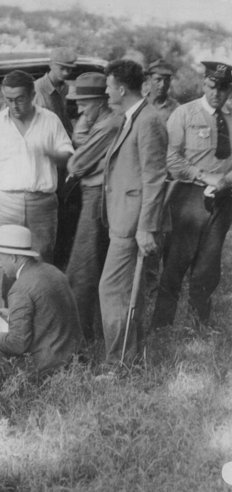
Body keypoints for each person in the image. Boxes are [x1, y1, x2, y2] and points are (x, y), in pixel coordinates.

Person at [0, 69, 73, 308]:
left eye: (19, 99)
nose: (14, 105)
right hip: (5, 202)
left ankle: (39, 315)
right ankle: (2, 317)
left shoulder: (50, 120)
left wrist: (51, 152)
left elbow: (69, 158)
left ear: (32, 95)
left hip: (42, 202)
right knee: (3, 261)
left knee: (40, 260)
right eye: (9, 99)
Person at [152, 61, 232, 327]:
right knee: (175, 263)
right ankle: (161, 325)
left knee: (208, 268)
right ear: (203, 84)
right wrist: (203, 176)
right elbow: (171, 158)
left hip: (222, 200)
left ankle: (198, 327)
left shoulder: (231, 118)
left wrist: (225, 181)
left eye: (223, 89)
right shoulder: (184, 114)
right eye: (211, 87)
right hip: (188, 196)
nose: (216, 94)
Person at [99, 59, 168, 366]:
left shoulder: (148, 120)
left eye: (108, 86)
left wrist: (146, 227)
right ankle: (130, 357)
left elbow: (154, 178)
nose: (105, 91)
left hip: (133, 223)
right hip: (123, 217)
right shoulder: (131, 116)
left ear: (121, 88)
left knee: (113, 290)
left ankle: (119, 363)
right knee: (127, 292)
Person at [0, 224, 82, 376]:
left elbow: (17, 343)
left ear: (13, 258)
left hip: (47, 366)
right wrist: (12, 313)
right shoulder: (53, 271)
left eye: (0, 259)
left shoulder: (20, 289)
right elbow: (47, 312)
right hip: (73, 357)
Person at [65, 73, 122, 342]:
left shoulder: (109, 124)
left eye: (84, 104)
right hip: (94, 193)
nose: (78, 111)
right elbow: (80, 144)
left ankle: (82, 337)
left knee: (82, 269)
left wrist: (80, 160)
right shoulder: (100, 120)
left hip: (97, 195)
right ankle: (90, 332)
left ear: (101, 102)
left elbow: (76, 165)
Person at [34, 47, 77, 136]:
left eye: (69, 69)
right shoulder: (36, 89)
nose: (66, 73)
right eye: (62, 68)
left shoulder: (69, 89)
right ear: (50, 65)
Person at [145, 59, 180, 123]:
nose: (162, 85)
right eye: (158, 80)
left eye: (166, 80)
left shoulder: (176, 108)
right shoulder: (139, 104)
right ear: (149, 80)